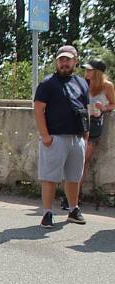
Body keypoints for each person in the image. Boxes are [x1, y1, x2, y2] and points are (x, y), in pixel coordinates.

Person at [34, 45, 89, 228]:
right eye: (61, 59)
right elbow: (38, 110)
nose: (64, 63)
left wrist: (85, 135)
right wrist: (45, 135)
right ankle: (47, 212)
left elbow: (84, 110)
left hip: (76, 136)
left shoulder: (81, 83)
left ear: (75, 61)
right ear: (57, 62)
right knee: (50, 177)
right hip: (55, 136)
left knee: (74, 177)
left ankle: (73, 209)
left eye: (68, 59)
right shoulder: (48, 83)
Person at [79, 59, 114, 196]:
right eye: (86, 69)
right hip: (79, 122)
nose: (86, 72)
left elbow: (113, 104)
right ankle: (71, 195)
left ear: (97, 72)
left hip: (94, 124)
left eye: (89, 70)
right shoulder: (82, 83)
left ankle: (76, 195)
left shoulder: (107, 86)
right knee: (74, 160)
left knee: (83, 161)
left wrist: (103, 108)